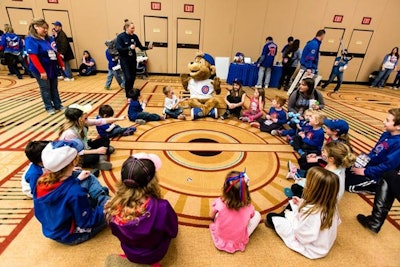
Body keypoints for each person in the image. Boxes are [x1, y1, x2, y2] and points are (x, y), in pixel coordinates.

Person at [105, 153, 178, 265]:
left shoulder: (112, 208)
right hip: (155, 253)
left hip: (130, 252)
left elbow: (116, 233)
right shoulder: (162, 207)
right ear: (152, 182)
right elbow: (173, 231)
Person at [33, 140, 109, 245]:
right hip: (72, 234)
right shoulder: (75, 192)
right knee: (111, 211)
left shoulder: (42, 180)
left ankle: (101, 199)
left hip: (53, 229)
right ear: (74, 162)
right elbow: (87, 222)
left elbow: (61, 193)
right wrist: (106, 209)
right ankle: (104, 200)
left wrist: (77, 180)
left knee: (87, 179)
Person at [265, 166, 341, 259]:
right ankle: (285, 214)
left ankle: (281, 217)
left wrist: (292, 218)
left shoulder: (312, 213)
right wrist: (301, 204)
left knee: (271, 217)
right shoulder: (332, 205)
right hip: (323, 242)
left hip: (312, 248)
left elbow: (302, 236)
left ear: (313, 190)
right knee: (292, 207)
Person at [345, 108, 400, 194]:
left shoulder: (398, 143)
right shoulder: (386, 134)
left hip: (379, 175)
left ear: (398, 126)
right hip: (371, 166)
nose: (383, 122)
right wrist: (363, 162)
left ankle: (377, 187)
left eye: (387, 121)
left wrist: (366, 171)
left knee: (348, 185)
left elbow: (389, 166)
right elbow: (375, 151)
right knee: (346, 170)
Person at [59, 103, 124, 170]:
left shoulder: (82, 122)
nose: (87, 114)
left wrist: (118, 119)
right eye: (85, 115)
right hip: (74, 156)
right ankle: (98, 161)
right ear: (80, 118)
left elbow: (100, 121)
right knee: (93, 156)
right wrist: (96, 151)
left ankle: (101, 156)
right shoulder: (69, 133)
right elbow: (76, 151)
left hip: (85, 147)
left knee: (105, 139)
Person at [209, 170, 261, 253]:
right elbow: (252, 215)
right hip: (238, 239)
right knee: (257, 215)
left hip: (221, 236)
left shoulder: (220, 202)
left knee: (218, 214)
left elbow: (211, 216)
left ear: (225, 189)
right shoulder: (249, 207)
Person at [285, 142, 356, 201]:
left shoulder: (328, 175)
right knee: (300, 183)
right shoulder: (339, 164)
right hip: (329, 195)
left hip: (323, 201)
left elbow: (316, 190)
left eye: (323, 152)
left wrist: (302, 182)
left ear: (331, 159)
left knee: (295, 187)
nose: (322, 153)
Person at [25, 18, 65, 115]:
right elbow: (33, 56)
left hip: (52, 67)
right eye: (43, 28)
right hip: (40, 68)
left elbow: (56, 52)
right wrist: (42, 71)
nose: (46, 30)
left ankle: (58, 105)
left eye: (47, 28)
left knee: (54, 87)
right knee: (45, 88)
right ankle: (48, 107)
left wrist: (61, 64)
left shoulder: (49, 38)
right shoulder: (31, 39)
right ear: (36, 27)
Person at [116, 19, 152, 100]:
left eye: (134, 28)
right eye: (132, 28)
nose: (133, 29)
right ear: (126, 27)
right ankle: (128, 96)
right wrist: (129, 47)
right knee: (128, 78)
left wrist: (148, 47)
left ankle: (131, 93)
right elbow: (119, 49)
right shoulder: (120, 37)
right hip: (124, 60)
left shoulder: (134, 36)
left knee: (132, 77)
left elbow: (141, 47)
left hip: (132, 60)